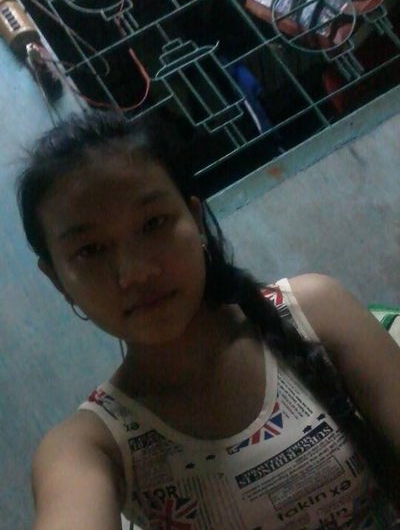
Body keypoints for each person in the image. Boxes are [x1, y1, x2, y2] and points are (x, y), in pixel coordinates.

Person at [17, 110, 400, 529]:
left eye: (154, 223)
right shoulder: (89, 445)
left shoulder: (313, 311)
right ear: (58, 280)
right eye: (90, 251)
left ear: (195, 219)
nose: (136, 272)